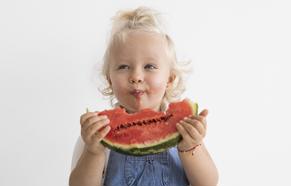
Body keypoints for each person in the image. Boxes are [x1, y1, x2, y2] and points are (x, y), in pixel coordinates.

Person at [69, 6, 219, 186]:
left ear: (170, 79)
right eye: (123, 67)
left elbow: (208, 183)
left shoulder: (184, 129)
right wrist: (93, 152)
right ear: (110, 79)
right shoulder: (98, 133)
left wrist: (190, 147)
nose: (136, 77)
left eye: (149, 66)